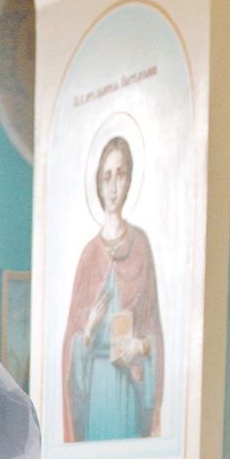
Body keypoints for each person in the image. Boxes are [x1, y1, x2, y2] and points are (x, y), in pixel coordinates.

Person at [59, 135, 165, 442]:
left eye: (120, 174)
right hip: (97, 388)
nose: (114, 186)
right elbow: (71, 343)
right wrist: (88, 331)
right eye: (107, 177)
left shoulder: (140, 246)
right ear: (98, 184)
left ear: (130, 179)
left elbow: (153, 327)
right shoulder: (89, 256)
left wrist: (142, 347)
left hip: (128, 384)